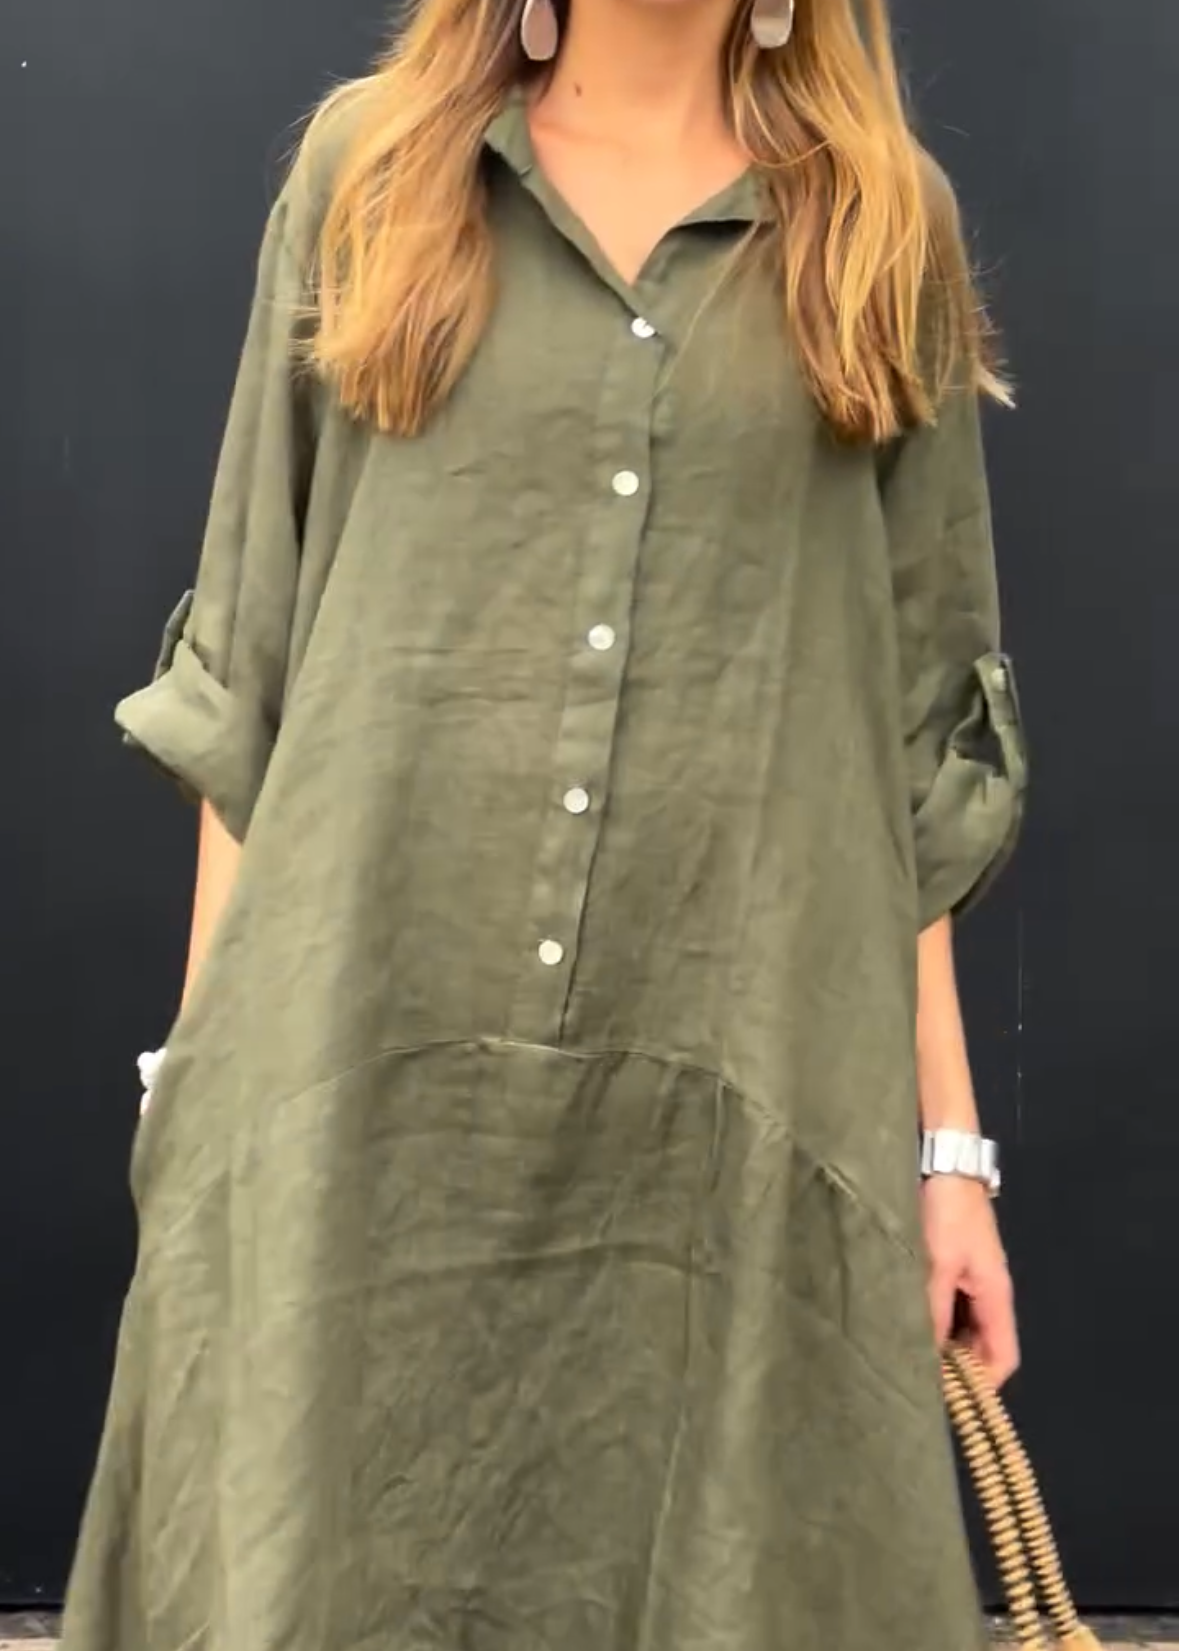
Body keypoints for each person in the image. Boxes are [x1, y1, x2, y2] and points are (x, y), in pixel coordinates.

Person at [62, 0, 1029, 1646]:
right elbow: (251, 662)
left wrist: (947, 1157)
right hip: (357, 1060)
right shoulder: (374, 173)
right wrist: (199, 1080)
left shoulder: (879, 225)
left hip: (731, 1083)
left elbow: (909, 754)